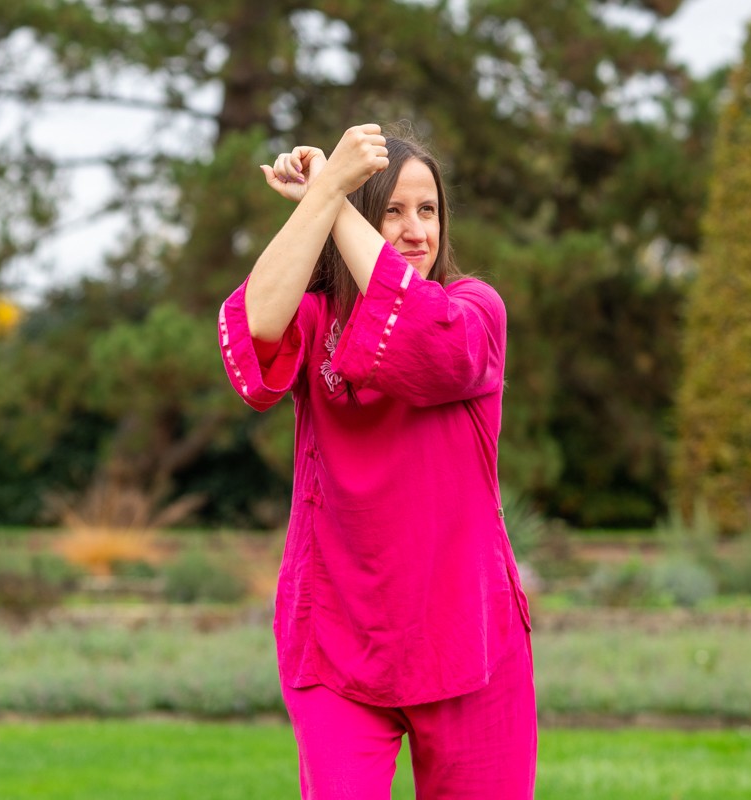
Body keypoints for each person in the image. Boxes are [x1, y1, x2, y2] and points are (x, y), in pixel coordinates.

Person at [216, 123, 537, 799]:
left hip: (468, 637)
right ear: (358, 219)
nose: (417, 229)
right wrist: (328, 191)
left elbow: (432, 344)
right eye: (391, 210)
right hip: (336, 637)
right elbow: (257, 329)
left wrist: (329, 197)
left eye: (429, 211)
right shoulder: (315, 319)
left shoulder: (475, 312)